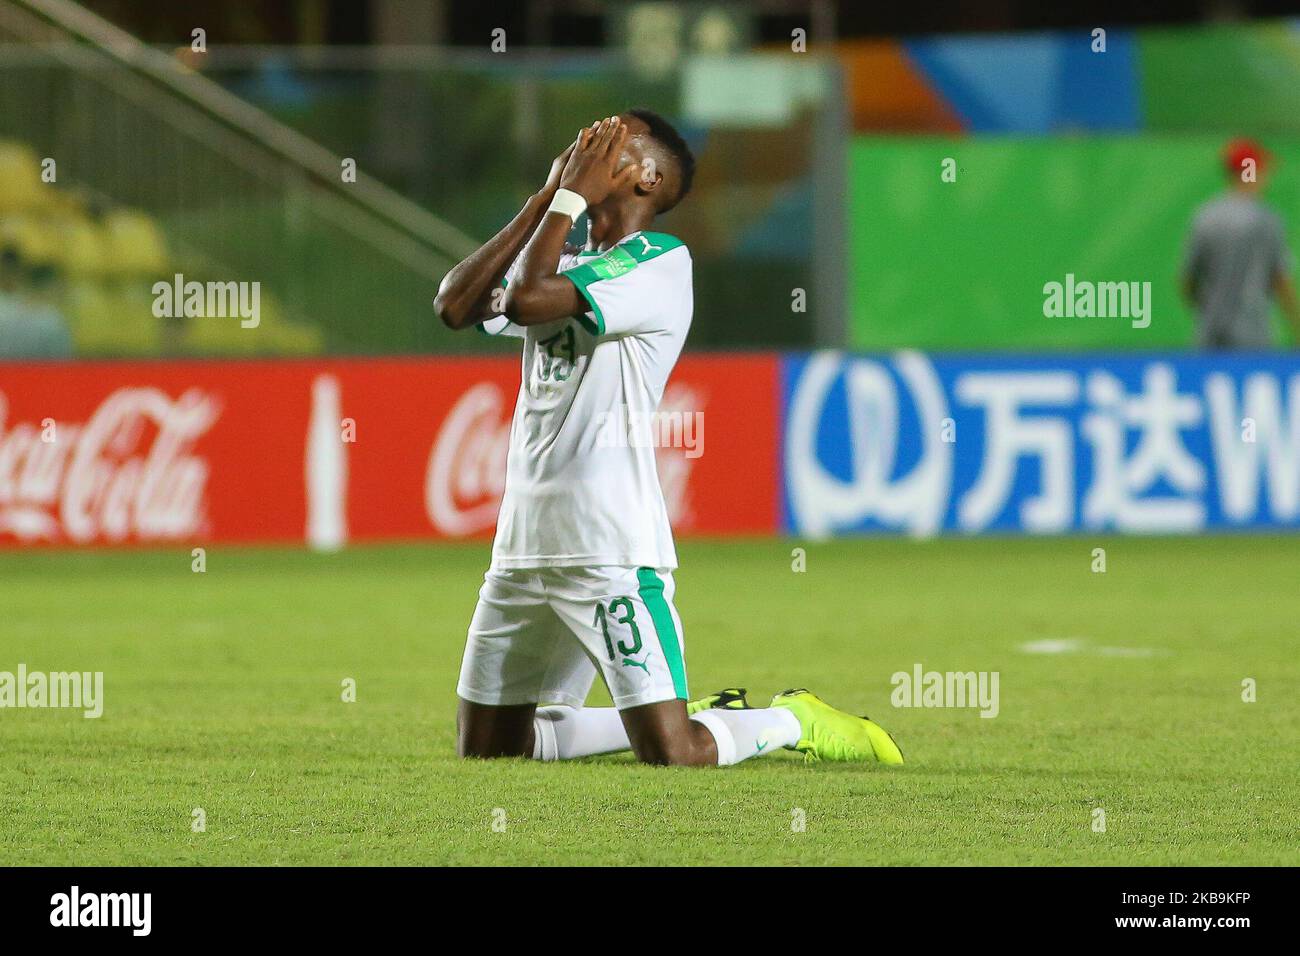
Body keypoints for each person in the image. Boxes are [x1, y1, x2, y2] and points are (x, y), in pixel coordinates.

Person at [434, 111, 903, 767]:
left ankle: (791, 720)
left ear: (647, 177)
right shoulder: (565, 254)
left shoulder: (658, 264)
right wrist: (546, 199)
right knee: (489, 752)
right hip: (522, 547)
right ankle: (682, 710)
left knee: (674, 752)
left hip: (610, 547)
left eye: (608, 144)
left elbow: (525, 302)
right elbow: (456, 305)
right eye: (584, 141)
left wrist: (566, 199)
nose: (585, 149)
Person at [1182, 138, 1300, 349]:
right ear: (1251, 172)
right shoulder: (1266, 220)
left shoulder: (1205, 217)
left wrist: (1211, 311)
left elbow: (1188, 283)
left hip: (1210, 338)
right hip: (1253, 338)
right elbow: (1281, 282)